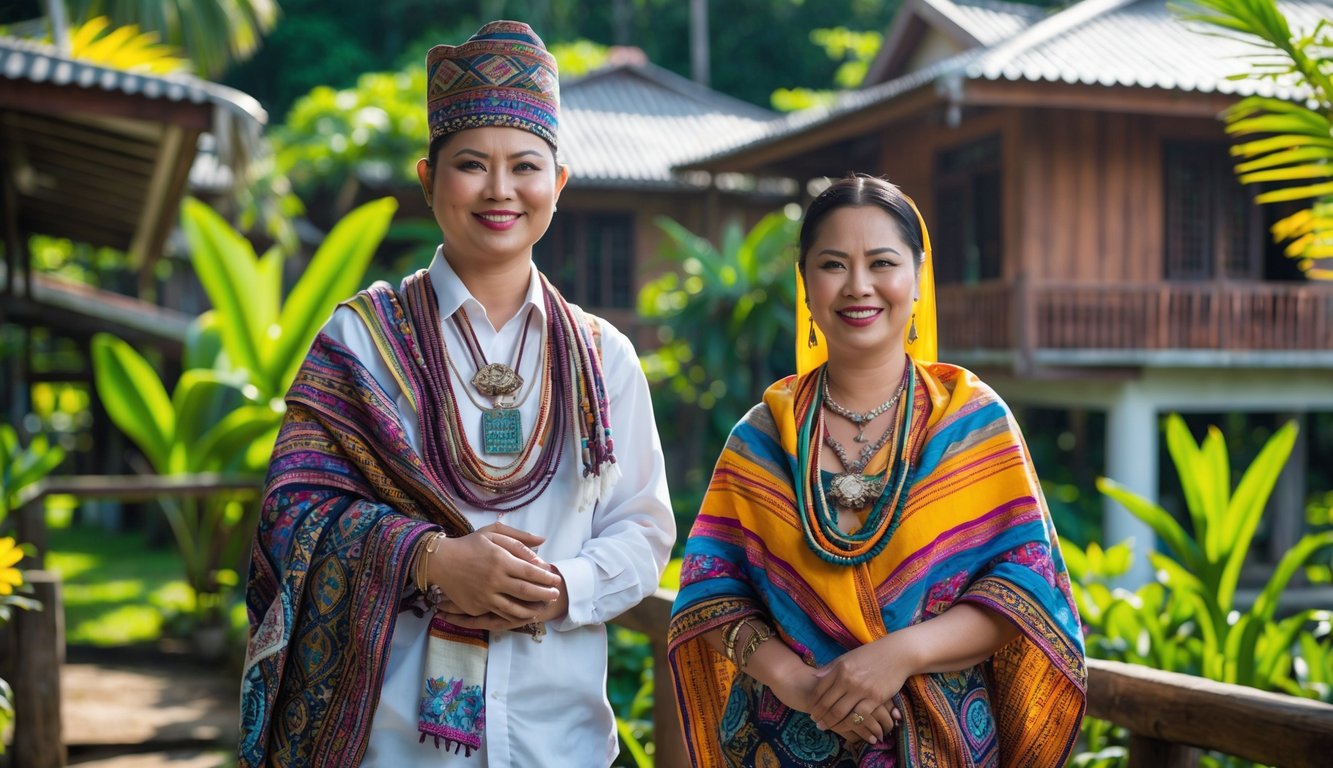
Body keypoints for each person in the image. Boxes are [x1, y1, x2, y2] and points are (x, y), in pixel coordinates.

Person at [238, 21, 675, 767]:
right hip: (393, 743)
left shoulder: (605, 357)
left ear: (558, 185)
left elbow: (644, 529)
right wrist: (428, 560)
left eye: (526, 167)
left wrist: (563, 586)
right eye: (472, 164)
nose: (501, 190)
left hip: (560, 741)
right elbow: (293, 511)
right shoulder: (360, 343)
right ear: (427, 179)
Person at [667, 175, 1085, 767]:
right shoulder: (762, 436)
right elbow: (712, 590)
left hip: (945, 745)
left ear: (917, 279)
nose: (859, 286)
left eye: (882, 263)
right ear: (807, 286)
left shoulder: (972, 423)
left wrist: (899, 654)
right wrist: (797, 683)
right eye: (833, 264)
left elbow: (1025, 589)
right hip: (780, 742)